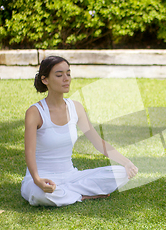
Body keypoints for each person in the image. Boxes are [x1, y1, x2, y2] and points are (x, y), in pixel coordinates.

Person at [21, 56, 138, 206]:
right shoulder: (35, 112)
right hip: (42, 178)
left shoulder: (75, 108)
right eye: (59, 75)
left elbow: (98, 142)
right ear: (45, 80)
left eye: (68, 74)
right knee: (38, 195)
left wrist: (126, 162)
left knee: (121, 173)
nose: (66, 79)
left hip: (71, 176)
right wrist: (37, 180)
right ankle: (81, 195)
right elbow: (29, 151)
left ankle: (65, 192)